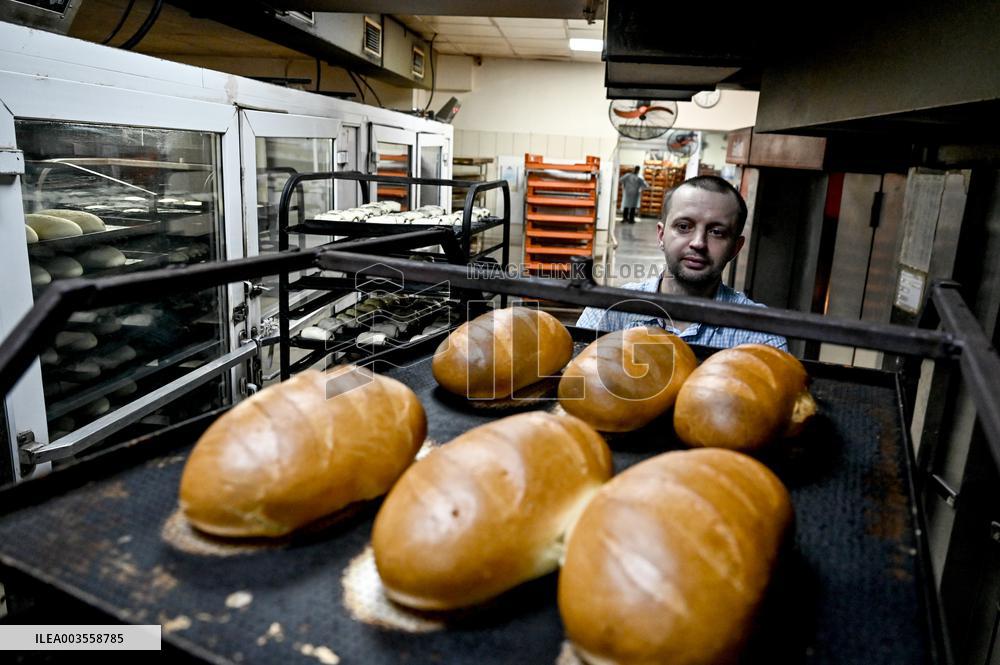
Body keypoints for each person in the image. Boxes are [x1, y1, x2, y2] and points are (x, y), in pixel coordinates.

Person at [577, 175, 788, 351]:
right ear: (661, 235)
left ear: (735, 248)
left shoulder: (760, 335)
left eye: (717, 232)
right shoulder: (608, 313)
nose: (698, 243)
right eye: (684, 226)